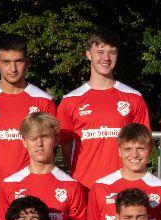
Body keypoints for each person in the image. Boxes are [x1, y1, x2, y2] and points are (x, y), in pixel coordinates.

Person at [57, 30, 151, 188]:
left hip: (125, 186)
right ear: (88, 54)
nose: (106, 58)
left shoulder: (133, 98)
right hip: (85, 185)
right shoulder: (70, 100)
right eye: (100, 52)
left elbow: (143, 143)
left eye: (112, 52)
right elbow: (65, 144)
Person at [0, 35, 57, 189]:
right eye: (6, 62)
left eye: (18, 61)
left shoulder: (43, 100)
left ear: (27, 62)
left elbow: (51, 145)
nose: (13, 69)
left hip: (32, 186)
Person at [0, 112, 87, 220]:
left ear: (56, 139)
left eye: (45, 137)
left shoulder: (72, 186)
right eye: (33, 138)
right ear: (24, 141)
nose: (39, 143)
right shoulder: (9, 185)